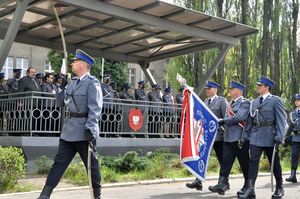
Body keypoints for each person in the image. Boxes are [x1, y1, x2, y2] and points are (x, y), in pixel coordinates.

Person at [37, 49, 102, 199]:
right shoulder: (72, 83)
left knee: (92, 167)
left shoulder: (92, 83)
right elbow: (60, 103)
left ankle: (97, 196)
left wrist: (91, 128)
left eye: (75, 61)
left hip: (84, 131)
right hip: (68, 132)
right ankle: (44, 195)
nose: (72, 63)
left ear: (83, 65)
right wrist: (61, 87)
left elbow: (95, 108)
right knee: (58, 164)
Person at [239, 75, 286, 199]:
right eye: (258, 85)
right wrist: (244, 136)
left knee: (274, 163)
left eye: (260, 85)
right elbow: (250, 121)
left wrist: (280, 137)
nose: (257, 87)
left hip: (271, 136)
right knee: (253, 162)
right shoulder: (254, 102)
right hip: (255, 136)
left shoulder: (275, 101)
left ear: (267, 87)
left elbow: (282, 120)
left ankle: (279, 187)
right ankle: (250, 189)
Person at [208, 80, 250, 196]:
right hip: (227, 138)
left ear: (238, 91)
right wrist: (223, 124)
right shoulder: (230, 104)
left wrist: (223, 121)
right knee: (225, 163)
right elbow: (227, 117)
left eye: (232, 89)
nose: (230, 91)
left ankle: (248, 186)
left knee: (244, 163)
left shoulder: (245, 103)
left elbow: (240, 117)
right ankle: (222, 184)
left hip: (239, 138)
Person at [186, 81, 228, 191]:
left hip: (218, 136)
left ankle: (224, 183)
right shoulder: (205, 102)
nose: (207, 90)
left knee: (222, 160)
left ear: (215, 89)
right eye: (206, 89)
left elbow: (226, 118)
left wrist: (226, 134)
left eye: (209, 88)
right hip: (205, 137)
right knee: (201, 157)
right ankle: (198, 181)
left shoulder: (222, 101)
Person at [284, 93, 300, 183]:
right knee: (294, 156)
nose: (297, 102)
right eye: (296, 100)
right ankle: (293, 175)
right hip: (296, 138)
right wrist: (286, 137)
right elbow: (291, 126)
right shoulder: (292, 113)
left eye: (298, 100)